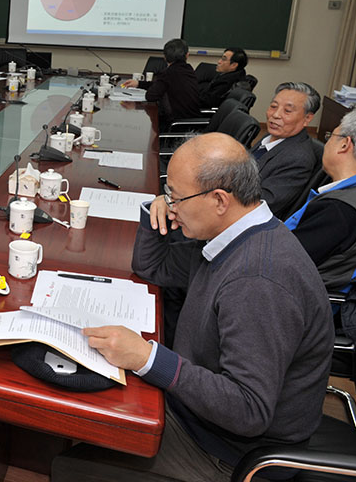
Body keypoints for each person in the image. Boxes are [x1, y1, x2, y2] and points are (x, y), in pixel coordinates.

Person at [53, 133, 333, 482]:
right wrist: (155, 214)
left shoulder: (257, 280)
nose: (171, 205)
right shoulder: (232, 234)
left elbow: (249, 409)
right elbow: (153, 267)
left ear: (219, 200)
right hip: (197, 414)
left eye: (176, 196)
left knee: (69, 466)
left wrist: (148, 358)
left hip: (228, 454)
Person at [284, 105, 356, 339]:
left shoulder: (341, 209)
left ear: (345, 144)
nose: (326, 142)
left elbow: (282, 262)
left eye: (331, 136)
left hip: (307, 307)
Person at [251, 81, 320, 219]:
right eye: (273, 106)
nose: (275, 115)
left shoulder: (298, 159)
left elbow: (264, 203)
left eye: (287, 111)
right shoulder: (270, 137)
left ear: (307, 118)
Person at [122, 38, 201, 126]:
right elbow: (162, 85)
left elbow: (150, 96)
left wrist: (136, 106)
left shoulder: (168, 73)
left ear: (165, 57)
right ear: (187, 55)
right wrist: (139, 84)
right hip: (193, 122)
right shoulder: (189, 70)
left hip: (177, 125)